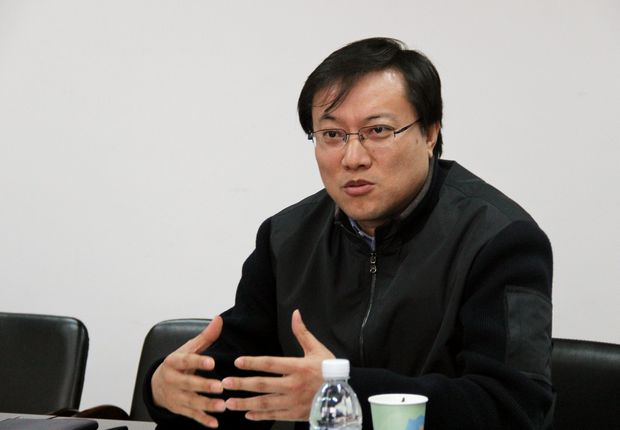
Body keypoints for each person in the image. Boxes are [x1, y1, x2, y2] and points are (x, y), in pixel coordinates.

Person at [145, 37, 554, 430]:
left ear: (429, 133)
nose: (352, 158)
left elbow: (513, 409)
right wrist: (165, 389)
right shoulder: (285, 239)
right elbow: (242, 386)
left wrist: (343, 393)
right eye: (332, 135)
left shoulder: (500, 240)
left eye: (378, 131)